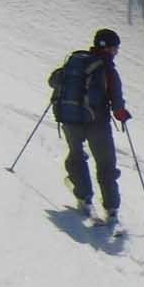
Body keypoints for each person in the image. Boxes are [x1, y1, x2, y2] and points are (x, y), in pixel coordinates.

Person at [48, 27, 131, 221]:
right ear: (108, 48)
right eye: (115, 48)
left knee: (76, 157)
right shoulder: (107, 69)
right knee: (106, 165)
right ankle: (111, 210)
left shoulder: (76, 62)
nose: (116, 52)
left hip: (71, 120)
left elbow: (53, 81)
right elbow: (117, 105)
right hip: (97, 124)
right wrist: (123, 115)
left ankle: (84, 199)